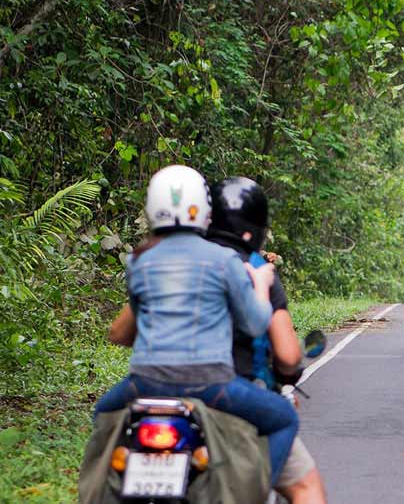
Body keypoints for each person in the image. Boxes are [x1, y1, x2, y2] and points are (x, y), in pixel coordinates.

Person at [109, 175, 327, 503]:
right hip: (215, 385)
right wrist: (261, 285)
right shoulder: (229, 263)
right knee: (285, 422)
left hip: (145, 384)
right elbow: (275, 344)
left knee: (104, 418)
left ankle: (99, 490)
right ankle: (252, 486)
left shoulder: (144, 259)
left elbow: (122, 332)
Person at [207, 177, 327, 504]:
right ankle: (253, 489)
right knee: (305, 487)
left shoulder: (188, 262)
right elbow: (288, 357)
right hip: (237, 389)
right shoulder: (259, 270)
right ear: (257, 229)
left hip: (164, 391)